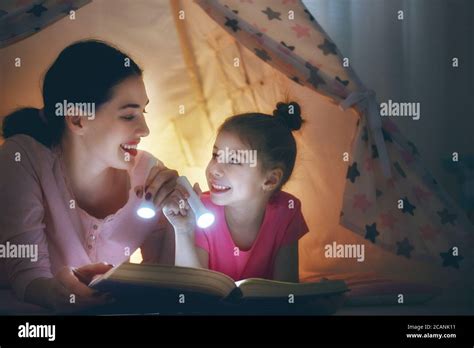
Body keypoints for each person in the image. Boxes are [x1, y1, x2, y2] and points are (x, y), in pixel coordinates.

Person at [0, 40, 187, 312]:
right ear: (77, 119)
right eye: (128, 115)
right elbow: (27, 276)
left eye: (143, 112)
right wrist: (61, 293)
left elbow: (161, 282)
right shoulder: (22, 158)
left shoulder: (148, 176)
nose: (145, 130)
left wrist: (177, 223)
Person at [163, 102, 309, 282]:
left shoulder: (287, 210)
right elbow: (190, 288)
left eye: (233, 160)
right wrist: (183, 229)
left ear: (270, 180)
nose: (214, 169)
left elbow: (287, 289)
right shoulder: (201, 210)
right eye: (216, 155)